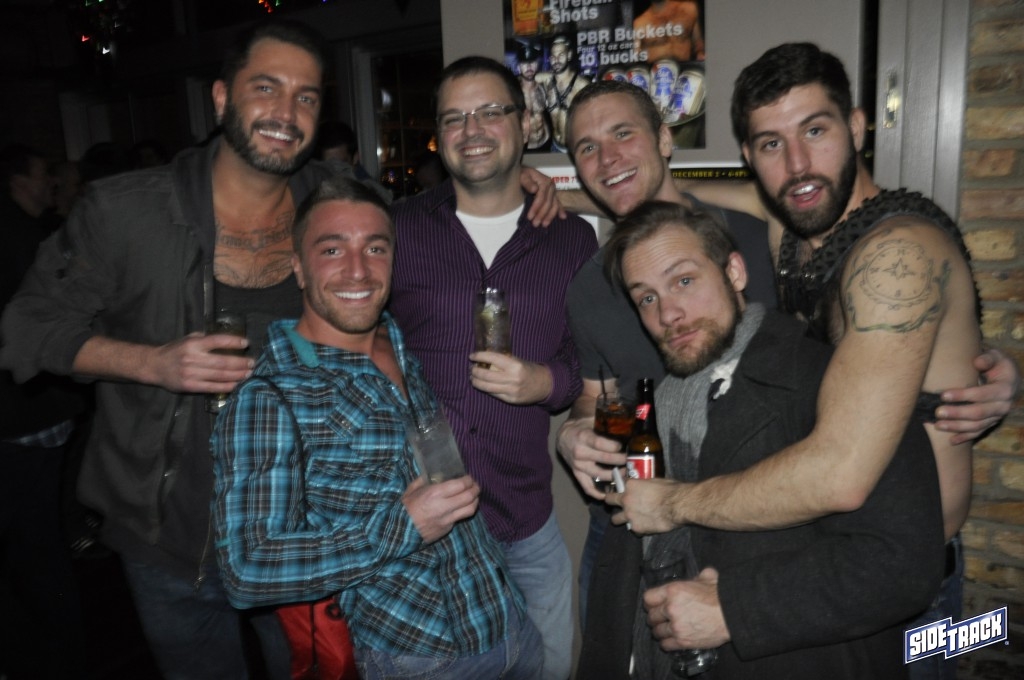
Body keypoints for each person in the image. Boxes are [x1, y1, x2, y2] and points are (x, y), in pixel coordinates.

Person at [604, 42, 1007, 680]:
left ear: (857, 126)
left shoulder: (895, 256)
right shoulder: (791, 227)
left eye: (815, 131)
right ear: (749, 155)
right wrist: (541, 193)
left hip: (912, 590)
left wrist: (675, 504)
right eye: (771, 143)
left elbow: (841, 474)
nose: (797, 165)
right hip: (830, 560)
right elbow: (667, 195)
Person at [0, 19, 336, 679]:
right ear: (221, 98)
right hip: (171, 542)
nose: (286, 112)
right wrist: (151, 363)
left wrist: (522, 184)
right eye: (266, 88)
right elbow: (25, 328)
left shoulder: (337, 204)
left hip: (301, 531)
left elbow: (429, 229)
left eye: (307, 97)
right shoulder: (125, 211)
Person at [578, 200, 945, 678]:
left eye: (684, 281)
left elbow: (903, 564)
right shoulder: (661, 405)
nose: (668, 313)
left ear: (734, 271)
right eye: (646, 298)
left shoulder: (829, 382)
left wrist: (733, 609)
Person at [211, 176, 542, 680]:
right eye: (332, 250)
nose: (358, 270)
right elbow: (247, 570)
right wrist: (403, 525)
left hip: (508, 622)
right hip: (419, 657)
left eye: (375, 248)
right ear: (298, 267)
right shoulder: (269, 398)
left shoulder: (396, 341)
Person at [389, 56, 598, 680]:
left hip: (525, 521)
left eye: (489, 112)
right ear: (438, 134)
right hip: (427, 531)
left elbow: (588, 360)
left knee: (554, 667)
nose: (471, 130)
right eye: (454, 117)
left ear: (526, 122)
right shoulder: (397, 231)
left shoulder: (572, 239)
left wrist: (546, 383)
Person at [556, 79, 777, 622]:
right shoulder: (587, 287)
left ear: (663, 139)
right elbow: (596, 397)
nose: (607, 158)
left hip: (756, 526)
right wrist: (575, 433)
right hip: (633, 533)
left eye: (622, 134)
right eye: (587, 147)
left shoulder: (755, 239)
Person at [0, 143, 89, 680]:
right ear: (17, 180)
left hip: (31, 414)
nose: (50, 184)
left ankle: (53, 655)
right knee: (37, 545)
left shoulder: (30, 234)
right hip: (25, 413)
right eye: (41, 175)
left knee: (35, 544)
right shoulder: (19, 238)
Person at [314, 119, 392, 203]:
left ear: (355, 158)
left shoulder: (371, 193)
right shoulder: (314, 185)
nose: (335, 169)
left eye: (341, 164)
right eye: (329, 164)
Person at [543, 35, 590, 152]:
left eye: (561, 55)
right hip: (554, 146)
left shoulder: (581, 85)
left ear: (569, 55)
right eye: (553, 56)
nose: (556, 60)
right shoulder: (547, 81)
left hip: (574, 149)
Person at [633, 0, 705, 64]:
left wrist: (700, 53)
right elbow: (634, 58)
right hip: (656, 72)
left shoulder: (689, 9)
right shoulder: (639, 24)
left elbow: (698, 43)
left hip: (686, 70)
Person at [516, 42, 552, 151]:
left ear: (537, 64)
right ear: (519, 67)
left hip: (546, 141)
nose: (529, 66)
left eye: (532, 62)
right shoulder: (514, 92)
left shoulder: (544, 87)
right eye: (524, 63)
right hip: (526, 147)